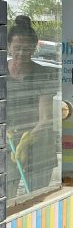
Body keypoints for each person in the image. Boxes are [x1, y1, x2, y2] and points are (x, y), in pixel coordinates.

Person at [7, 15, 58, 199]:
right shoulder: (2, 73)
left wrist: (26, 140)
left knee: (36, 199)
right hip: (7, 146)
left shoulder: (43, 74)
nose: (21, 53)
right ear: (9, 46)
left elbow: (45, 119)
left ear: (34, 48)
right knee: (7, 200)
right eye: (17, 48)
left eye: (27, 48)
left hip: (39, 149)